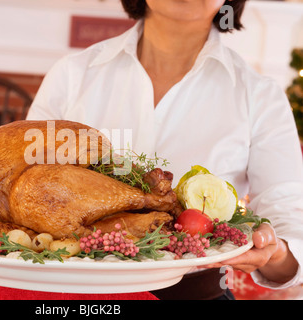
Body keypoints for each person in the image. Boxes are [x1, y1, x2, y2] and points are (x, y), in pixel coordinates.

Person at [26, 0, 303, 300]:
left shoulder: (260, 95)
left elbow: (288, 216)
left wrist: (276, 254)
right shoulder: (70, 75)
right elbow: (26, 184)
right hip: (72, 297)